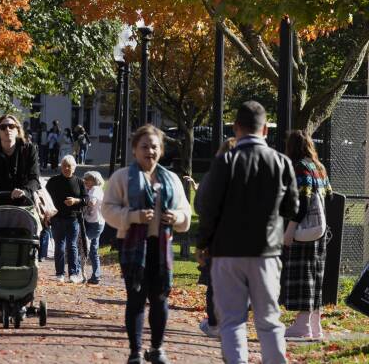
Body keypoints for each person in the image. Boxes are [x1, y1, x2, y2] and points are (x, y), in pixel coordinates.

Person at [197, 101, 299, 364]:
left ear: (235, 128)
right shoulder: (281, 162)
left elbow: (208, 206)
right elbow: (293, 206)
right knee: (269, 320)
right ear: (265, 129)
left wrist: (203, 243)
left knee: (232, 321)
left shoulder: (225, 161)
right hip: (266, 251)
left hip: (227, 251)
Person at [102, 125, 192, 364]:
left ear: (161, 150)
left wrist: (177, 217)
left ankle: (157, 348)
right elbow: (107, 209)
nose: (149, 151)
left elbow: (186, 212)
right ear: (134, 150)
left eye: (154, 146)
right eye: (144, 146)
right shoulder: (122, 177)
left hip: (161, 247)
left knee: (160, 298)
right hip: (133, 247)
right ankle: (135, 351)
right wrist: (134, 216)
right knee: (136, 298)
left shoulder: (171, 179)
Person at [281, 130, 332, 341]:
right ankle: (315, 325)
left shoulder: (300, 167)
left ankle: (302, 325)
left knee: (303, 277)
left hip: (303, 232)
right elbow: (329, 196)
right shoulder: (319, 167)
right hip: (320, 232)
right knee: (315, 277)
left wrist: (290, 229)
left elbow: (301, 202)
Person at [192, 137, 238, 339]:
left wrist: (202, 243)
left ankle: (214, 322)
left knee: (214, 282)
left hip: (216, 237)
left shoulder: (212, 177)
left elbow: (202, 207)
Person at [0, 114, 41, 204]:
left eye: (11, 126)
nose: (8, 129)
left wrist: (25, 191)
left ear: (17, 130)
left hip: (24, 202)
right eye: (3, 127)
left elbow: (34, 178)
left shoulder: (29, 149)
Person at [46, 155, 87, 283]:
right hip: (57, 218)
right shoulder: (53, 181)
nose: (66, 168)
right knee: (59, 246)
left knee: (72, 246)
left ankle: (73, 273)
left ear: (74, 168)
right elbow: (45, 198)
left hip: (73, 218)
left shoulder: (79, 182)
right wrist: (47, 215)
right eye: (64, 165)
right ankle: (60, 274)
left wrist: (76, 201)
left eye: (69, 166)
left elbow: (86, 199)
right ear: (61, 167)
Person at [82, 170, 106, 285]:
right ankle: (96, 276)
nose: (85, 181)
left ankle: (79, 272)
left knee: (82, 245)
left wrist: (80, 201)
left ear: (94, 181)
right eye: (85, 179)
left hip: (95, 223)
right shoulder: (91, 189)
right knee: (93, 251)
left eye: (88, 179)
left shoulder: (96, 189)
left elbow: (91, 202)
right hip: (94, 222)